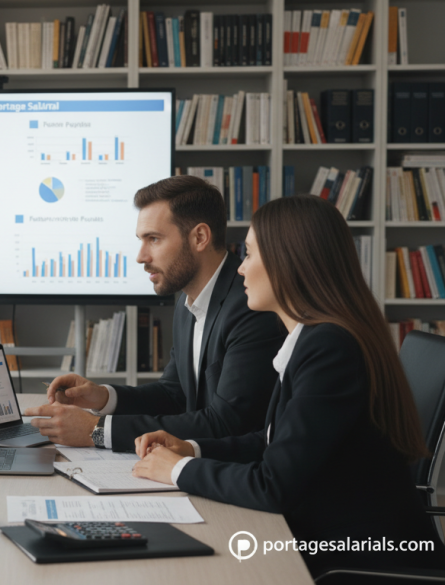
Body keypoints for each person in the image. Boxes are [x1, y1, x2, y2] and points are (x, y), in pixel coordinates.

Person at [131, 195, 441, 576]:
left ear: (289, 260)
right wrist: (191, 448)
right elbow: (271, 441)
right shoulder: (313, 339)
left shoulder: (330, 348)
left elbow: (273, 486)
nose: (241, 269)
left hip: (356, 561)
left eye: (248, 254)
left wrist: (177, 470)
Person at [25, 175, 285, 451]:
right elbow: (174, 393)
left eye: (154, 239)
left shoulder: (250, 305)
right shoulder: (188, 299)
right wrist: (102, 397)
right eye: (141, 240)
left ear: (199, 237)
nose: (141, 256)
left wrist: (96, 430)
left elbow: (228, 423)